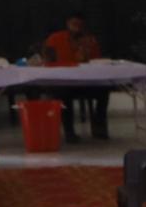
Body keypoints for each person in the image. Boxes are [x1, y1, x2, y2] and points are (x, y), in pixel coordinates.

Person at [39, 12, 109, 141]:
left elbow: (96, 62)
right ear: (68, 24)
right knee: (63, 93)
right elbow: (47, 59)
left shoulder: (90, 40)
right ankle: (69, 132)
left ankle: (99, 129)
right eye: (74, 24)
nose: (76, 27)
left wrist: (86, 55)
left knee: (104, 90)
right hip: (62, 82)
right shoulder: (55, 38)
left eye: (79, 24)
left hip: (85, 82)